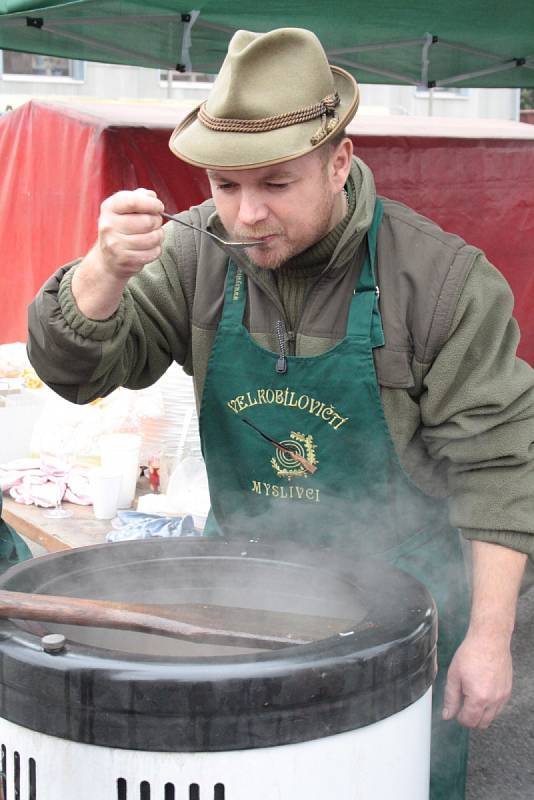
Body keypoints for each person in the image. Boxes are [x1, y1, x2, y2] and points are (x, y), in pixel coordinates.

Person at [27, 27, 533, 800]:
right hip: (240, 582)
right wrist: (99, 276)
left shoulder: (439, 281)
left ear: (339, 161)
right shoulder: (193, 252)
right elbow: (80, 373)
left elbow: (501, 466)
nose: (247, 214)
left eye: (275, 184)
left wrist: (491, 639)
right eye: (226, 187)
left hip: (406, 605)